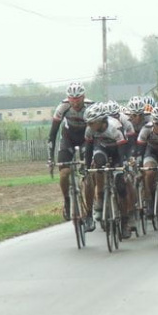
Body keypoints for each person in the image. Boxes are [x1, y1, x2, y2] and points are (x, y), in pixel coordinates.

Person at [83, 103, 132, 237]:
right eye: (88, 123)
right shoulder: (90, 130)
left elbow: (123, 152)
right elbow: (88, 151)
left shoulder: (114, 127)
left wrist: (123, 167)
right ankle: (101, 196)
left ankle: (124, 222)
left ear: (100, 120)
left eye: (91, 123)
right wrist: (87, 169)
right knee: (97, 161)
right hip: (102, 149)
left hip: (118, 152)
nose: (89, 126)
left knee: (121, 186)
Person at [47, 82, 94, 220]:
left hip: (86, 139)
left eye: (78, 98)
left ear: (83, 96)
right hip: (68, 139)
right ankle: (67, 201)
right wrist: (50, 158)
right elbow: (52, 134)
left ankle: (89, 213)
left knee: (88, 176)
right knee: (64, 173)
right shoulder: (62, 107)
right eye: (72, 98)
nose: (75, 101)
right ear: (68, 98)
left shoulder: (90, 107)